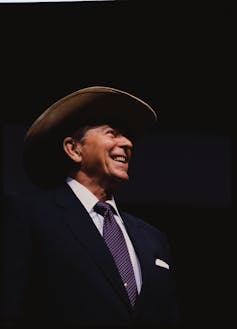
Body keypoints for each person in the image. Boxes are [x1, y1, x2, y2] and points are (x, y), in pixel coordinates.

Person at [0, 86, 180, 329]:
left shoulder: (153, 238)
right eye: (112, 133)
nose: (127, 143)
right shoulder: (28, 214)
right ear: (74, 149)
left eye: (127, 137)